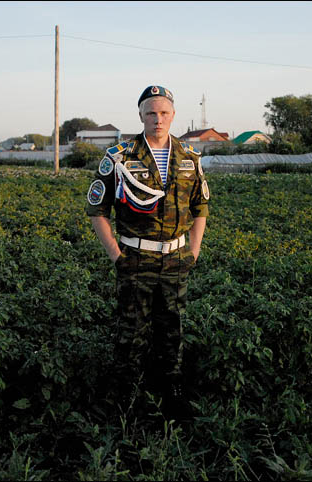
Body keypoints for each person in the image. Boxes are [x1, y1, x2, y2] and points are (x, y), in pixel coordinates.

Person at [85, 85, 210, 416]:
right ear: (140, 115)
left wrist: (192, 252)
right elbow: (97, 210)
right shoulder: (119, 157)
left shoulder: (189, 158)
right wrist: (117, 256)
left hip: (176, 259)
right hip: (135, 258)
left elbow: (202, 208)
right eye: (151, 113)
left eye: (164, 112)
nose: (158, 119)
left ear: (173, 115)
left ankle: (173, 392)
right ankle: (124, 396)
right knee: (131, 331)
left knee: (173, 328)